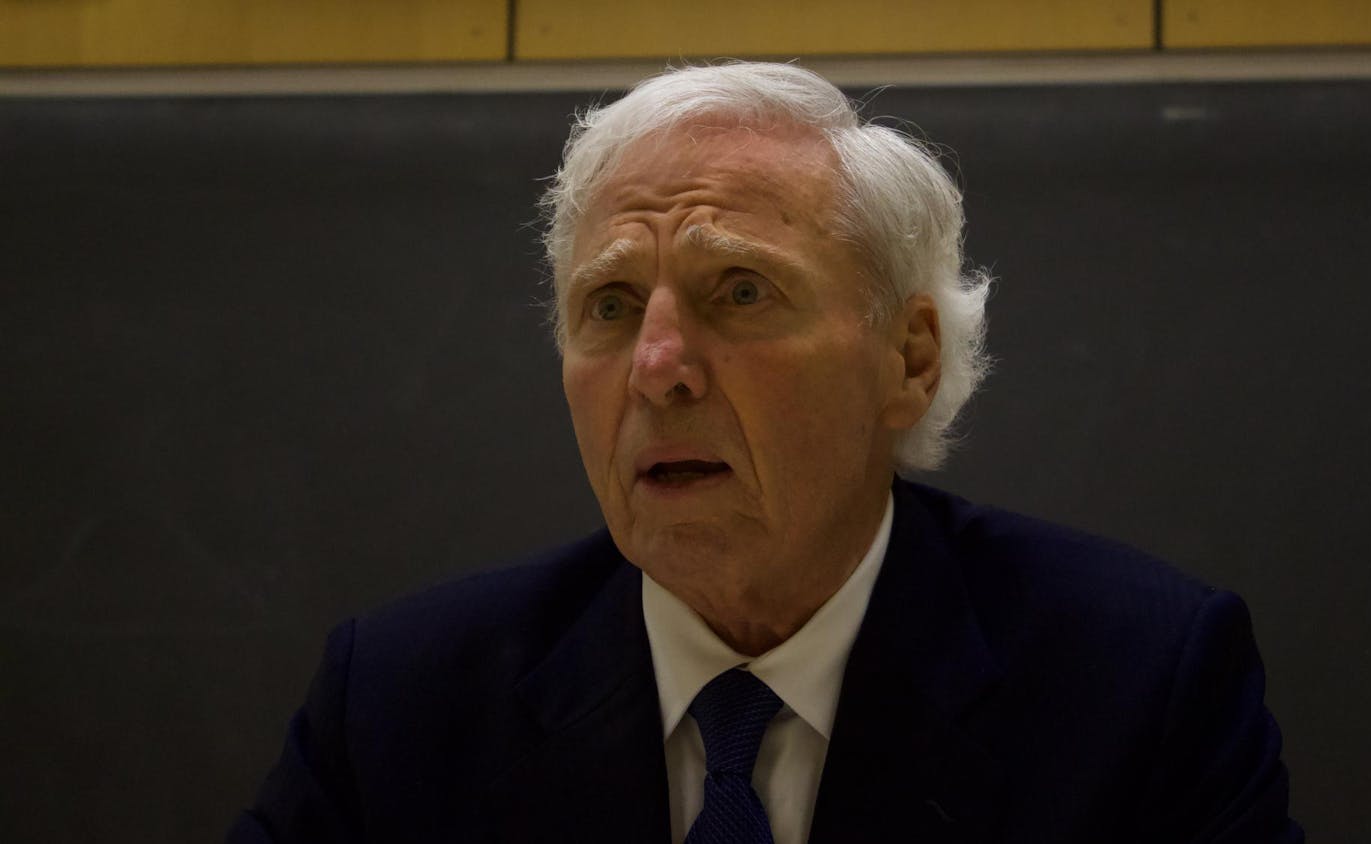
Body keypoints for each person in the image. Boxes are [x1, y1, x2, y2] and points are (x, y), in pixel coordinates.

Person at [231, 62, 1301, 843]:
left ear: (908, 358)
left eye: (740, 291)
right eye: (610, 305)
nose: (658, 368)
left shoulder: (1139, 689)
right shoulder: (400, 706)